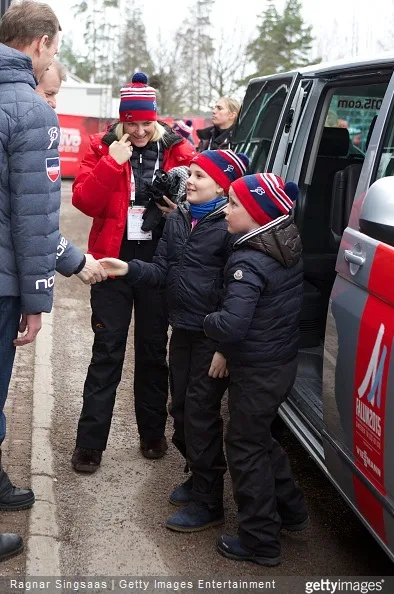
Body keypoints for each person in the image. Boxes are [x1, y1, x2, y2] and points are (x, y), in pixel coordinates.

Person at [0, 0, 107, 562]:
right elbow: (32, 218)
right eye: (56, 50)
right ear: (40, 44)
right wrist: (38, 297)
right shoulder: (28, 109)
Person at [99, 149, 249, 532]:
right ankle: (196, 474)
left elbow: (239, 298)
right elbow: (163, 270)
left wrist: (224, 349)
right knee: (179, 409)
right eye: (191, 174)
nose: (190, 181)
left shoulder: (230, 229)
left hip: (210, 338)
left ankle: (208, 499)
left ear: (222, 185)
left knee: (200, 414)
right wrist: (128, 268)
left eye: (199, 176)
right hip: (181, 329)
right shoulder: (180, 218)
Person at [71, 72, 195, 472]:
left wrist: (178, 211)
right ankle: (90, 444)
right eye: (132, 122)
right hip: (111, 259)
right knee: (107, 351)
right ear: (122, 119)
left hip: (158, 263)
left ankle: (152, 434)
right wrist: (112, 162)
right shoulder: (101, 147)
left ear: (155, 119)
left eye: (147, 122)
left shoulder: (177, 149)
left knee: (152, 350)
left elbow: (201, 199)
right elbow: (85, 202)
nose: (140, 131)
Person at [203, 173, 308, 566]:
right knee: (258, 437)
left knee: (244, 447)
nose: (225, 210)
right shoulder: (285, 239)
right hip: (279, 361)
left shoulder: (249, 258)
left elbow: (232, 323)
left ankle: (259, 540)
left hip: (257, 368)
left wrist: (205, 320)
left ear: (259, 212)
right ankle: (292, 510)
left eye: (232, 204)